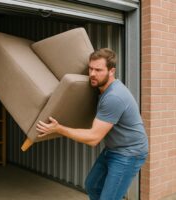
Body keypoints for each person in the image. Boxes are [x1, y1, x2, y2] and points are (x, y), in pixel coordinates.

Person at [36, 48, 148, 200]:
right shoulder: (101, 89)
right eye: (90, 69)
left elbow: (93, 138)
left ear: (111, 71)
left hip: (129, 153)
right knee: (92, 185)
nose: (92, 74)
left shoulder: (114, 96)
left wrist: (59, 128)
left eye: (98, 70)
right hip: (114, 148)